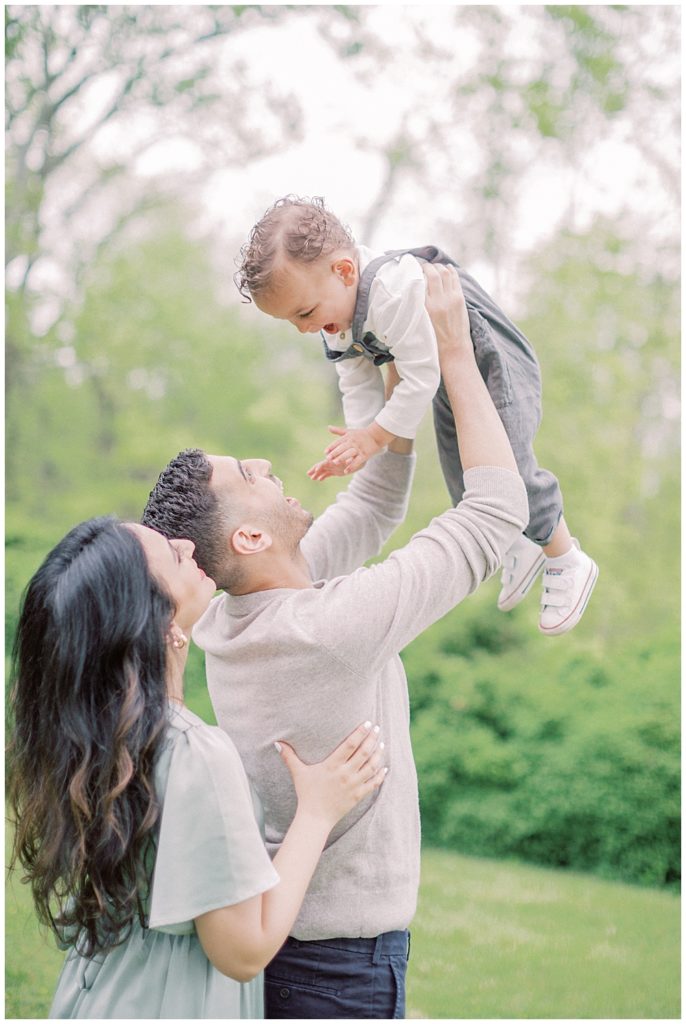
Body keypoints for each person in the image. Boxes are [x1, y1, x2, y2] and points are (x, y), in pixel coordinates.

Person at [141, 264, 529, 1019]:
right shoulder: (325, 628)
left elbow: (377, 504)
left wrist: (383, 370)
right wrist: (450, 353)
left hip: (299, 957)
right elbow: (494, 513)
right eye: (253, 474)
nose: (272, 468)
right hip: (342, 971)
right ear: (250, 534)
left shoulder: (238, 618)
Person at [7, 516, 386, 1019]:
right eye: (173, 554)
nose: (187, 542)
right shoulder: (194, 754)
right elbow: (242, 951)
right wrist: (317, 812)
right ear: (154, 620)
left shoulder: (94, 743)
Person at [234, 194, 599, 636]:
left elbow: (418, 378)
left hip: (488, 357)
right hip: (445, 369)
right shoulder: (335, 313)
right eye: (292, 321)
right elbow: (357, 378)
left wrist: (375, 436)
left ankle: (565, 556)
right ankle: (525, 538)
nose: (306, 328)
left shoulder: (391, 292)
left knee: (509, 468)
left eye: (305, 313)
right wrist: (359, 435)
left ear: (345, 271)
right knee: (464, 470)